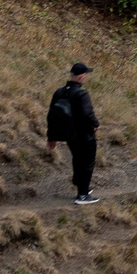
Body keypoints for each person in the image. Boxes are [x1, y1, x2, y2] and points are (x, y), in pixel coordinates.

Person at [46, 62, 99, 206]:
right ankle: (82, 195)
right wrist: (96, 124)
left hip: (69, 135)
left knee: (77, 159)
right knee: (87, 162)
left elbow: (51, 116)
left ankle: (82, 187)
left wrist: (51, 137)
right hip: (84, 135)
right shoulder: (81, 94)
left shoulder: (59, 92)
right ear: (81, 77)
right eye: (86, 74)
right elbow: (88, 113)